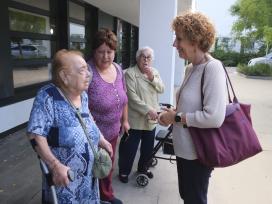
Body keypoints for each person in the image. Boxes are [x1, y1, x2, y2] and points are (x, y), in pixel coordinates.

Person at [158, 12, 227, 204]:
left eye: (179, 38)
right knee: (187, 197)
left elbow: (214, 117)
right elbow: (188, 106)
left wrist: (176, 118)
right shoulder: (190, 68)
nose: (175, 45)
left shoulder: (212, 68)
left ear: (195, 40)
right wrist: (167, 114)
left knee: (194, 200)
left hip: (198, 153)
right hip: (183, 149)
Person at [27, 49, 113, 204]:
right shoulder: (47, 97)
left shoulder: (83, 96)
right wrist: (55, 166)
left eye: (87, 69)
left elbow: (89, 121)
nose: (89, 74)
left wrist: (101, 139)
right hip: (65, 182)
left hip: (89, 179)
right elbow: (35, 135)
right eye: (82, 70)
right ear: (64, 76)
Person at [87, 28, 129, 204]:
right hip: (93, 134)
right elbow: (79, 104)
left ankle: (105, 194)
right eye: (101, 52)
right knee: (92, 168)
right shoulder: (87, 72)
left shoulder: (118, 69)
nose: (105, 57)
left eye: (109, 52)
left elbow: (124, 96)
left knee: (107, 165)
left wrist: (125, 120)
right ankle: (95, 197)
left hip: (113, 130)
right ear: (93, 51)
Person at [118, 46, 165, 183]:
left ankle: (143, 168)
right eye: (143, 56)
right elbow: (132, 98)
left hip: (151, 119)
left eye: (148, 57)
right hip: (136, 119)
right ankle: (124, 171)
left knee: (148, 148)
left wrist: (152, 78)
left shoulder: (154, 72)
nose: (145, 59)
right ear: (137, 58)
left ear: (152, 60)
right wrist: (148, 110)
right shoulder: (130, 74)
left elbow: (161, 88)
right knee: (129, 148)